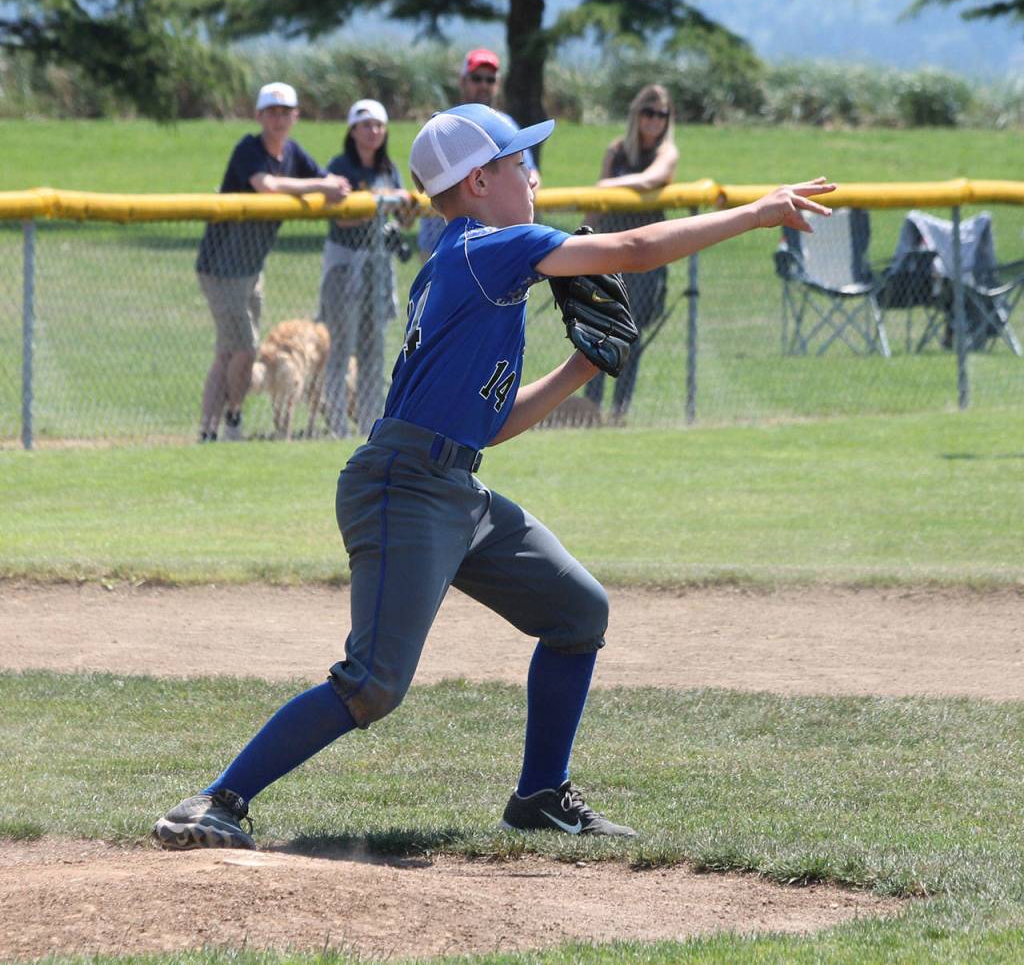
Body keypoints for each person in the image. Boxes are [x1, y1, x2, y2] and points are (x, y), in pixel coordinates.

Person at [153, 102, 834, 850]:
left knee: (578, 611)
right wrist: (756, 212)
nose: (533, 176)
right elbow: (635, 247)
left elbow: (490, 423)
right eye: (519, 164)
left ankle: (540, 795)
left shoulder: (471, 267)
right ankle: (217, 799)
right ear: (478, 181)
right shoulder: (485, 249)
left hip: (453, 486)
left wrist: (581, 366)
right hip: (402, 486)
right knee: (374, 684)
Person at [196, 82, 350, 443]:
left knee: (228, 351)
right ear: (259, 116)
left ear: (295, 116)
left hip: (251, 270)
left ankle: (209, 429)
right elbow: (266, 185)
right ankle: (231, 419)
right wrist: (318, 187)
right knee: (244, 348)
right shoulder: (249, 149)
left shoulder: (293, 154)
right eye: (272, 113)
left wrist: (331, 187)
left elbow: (329, 181)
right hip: (221, 267)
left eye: (285, 113)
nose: (279, 120)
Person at [318, 99, 414, 437]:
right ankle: (336, 420)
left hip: (377, 266)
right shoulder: (340, 166)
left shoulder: (388, 169)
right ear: (353, 130)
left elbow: (402, 218)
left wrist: (405, 205)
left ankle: (372, 419)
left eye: (378, 125)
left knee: (374, 347)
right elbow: (339, 217)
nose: (373, 132)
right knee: (341, 345)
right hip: (345, 264)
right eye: (365, 125)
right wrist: (377, 206)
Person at [584, 84, 679, 424]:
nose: (654, 120)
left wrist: (608, 186)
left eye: (661, 114)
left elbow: (653, 179)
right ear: (636, 114)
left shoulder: (666, 153)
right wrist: (579, 242)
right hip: (610, 250)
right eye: (648, 112)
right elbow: (596, 209)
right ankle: (590, 409)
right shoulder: (617, 151)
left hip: (645, 257)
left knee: (630, 334)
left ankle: (619, 411)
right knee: (596, 329)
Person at [416, 48, 540, 262]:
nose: (484, 85)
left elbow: (535, 177)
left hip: (495, 242)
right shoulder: (445, 128)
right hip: (442, 242)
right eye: (477, 78)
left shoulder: (506, 125)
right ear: (463, 81)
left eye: (490, 79)